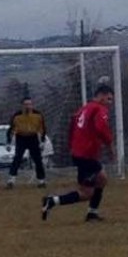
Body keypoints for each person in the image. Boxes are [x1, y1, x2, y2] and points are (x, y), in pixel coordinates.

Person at [41, 84, 115, 222]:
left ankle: (92, 213)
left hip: (80, 153)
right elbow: (101, 128)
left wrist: (71, 145)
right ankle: (51, 201)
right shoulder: (99, 109)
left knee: (102, 179)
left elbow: (72, 125)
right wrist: (110, 145)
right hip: (86, 155)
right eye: (109, 99)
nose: (109, 103)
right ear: (100, 96)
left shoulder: (84, 109)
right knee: (86, 193)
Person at [6, 96, 47, 189]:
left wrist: (42, 141)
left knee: (37, 160)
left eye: (30, 104)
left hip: (33, 138)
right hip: (21, 138)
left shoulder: (38, 115)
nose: (28, 106)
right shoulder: (17, 116)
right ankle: (11, 180)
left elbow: (43, 128)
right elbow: (11, 129)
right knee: (17, 158)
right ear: (22, 106)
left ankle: (41, 180)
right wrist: (8, 142)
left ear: (32, 105)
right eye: (26, 104)